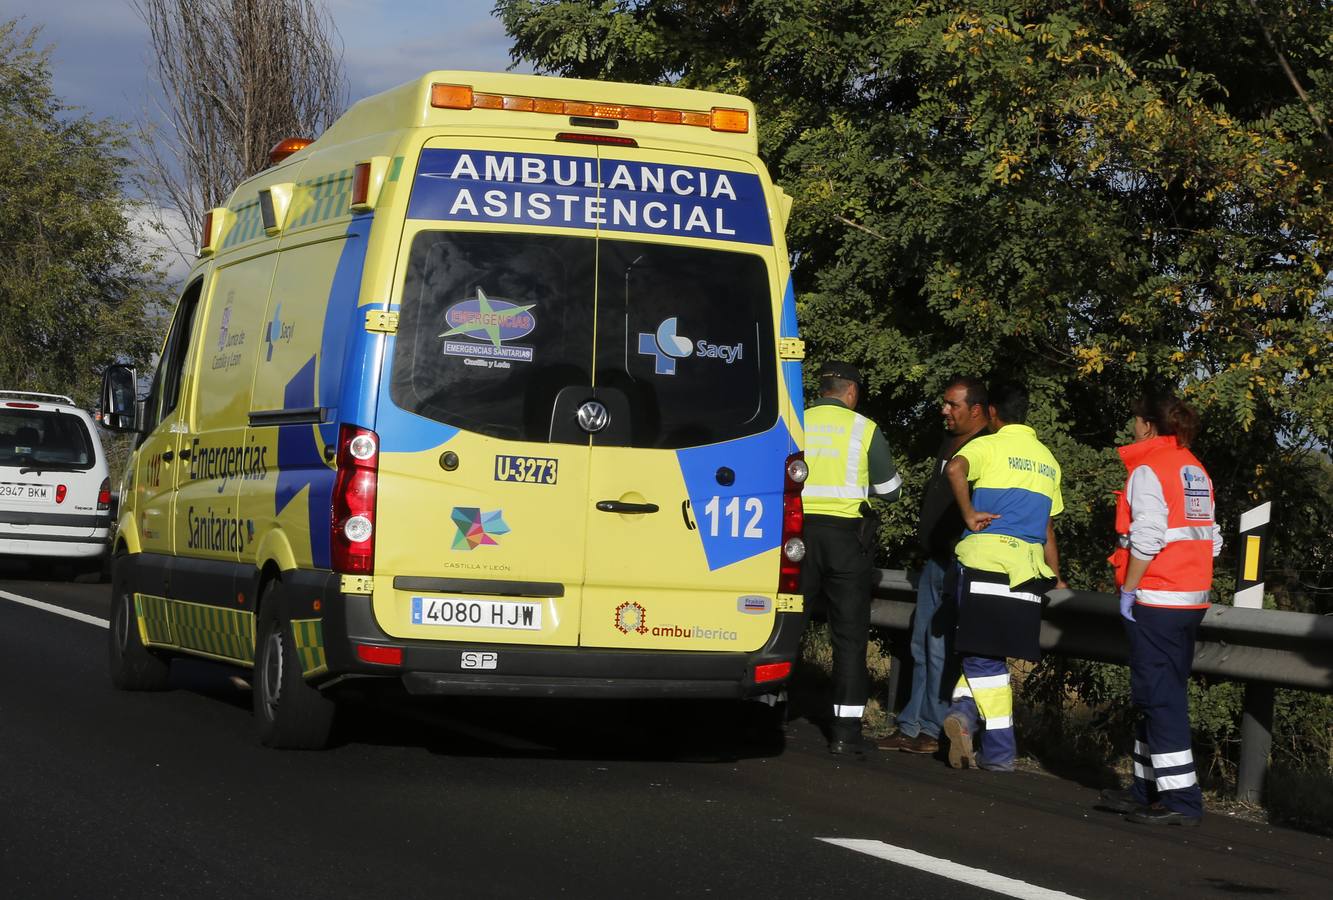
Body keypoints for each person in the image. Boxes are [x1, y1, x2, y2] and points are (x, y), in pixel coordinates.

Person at [1097, 388, 1220, 827]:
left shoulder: (1149, 470)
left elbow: (1147, 537)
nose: (1132, 426)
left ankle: (1181, 800)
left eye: (1135, 419)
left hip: (1157, 596)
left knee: (1159, 697)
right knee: (1159, 694)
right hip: (1190, 597)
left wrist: (1130, 588)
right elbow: (1211, 537)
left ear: (1148, 425)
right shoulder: (1194, 469)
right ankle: (1147, 789)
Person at [940, 381, 1064, 772]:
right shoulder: (1048, 460)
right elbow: (1047, 526)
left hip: (983, 563)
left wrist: (967, 514)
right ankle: (961, 716)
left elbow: (954, 468)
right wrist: (1056, 576)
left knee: (983, 661)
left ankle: (998, 751)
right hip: (1027, 572)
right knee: (985, 653)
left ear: (992, 413)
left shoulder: (987, 445)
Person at [879, 377, 989, 755]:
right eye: (944, 403)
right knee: (920, 644)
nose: (944, 410)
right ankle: (910, 725)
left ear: (975, 410)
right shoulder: (949, 441)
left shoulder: (984, 448)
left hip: (958, 563)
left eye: (952, 405)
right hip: (934, 561)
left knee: (939, 647)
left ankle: (931, 729)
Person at [801, 361, 902, 755]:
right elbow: (890, 490)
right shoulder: (865, 429)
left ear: (823, 388)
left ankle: (769, 708)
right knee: (848, 636)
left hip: (798, 537)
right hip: (845, 541)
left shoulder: (797, 420)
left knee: (788, 623)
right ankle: (844, 732)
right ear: (852, 392)